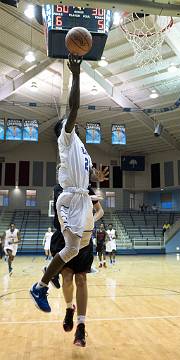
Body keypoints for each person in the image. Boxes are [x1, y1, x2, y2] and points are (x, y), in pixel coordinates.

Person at [30, 54, 109, 313]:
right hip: (70, 200)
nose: (73, 122)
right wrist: (76, 74)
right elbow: (73, 109)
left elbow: (83, 171)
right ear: (64, 128)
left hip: (83, 200)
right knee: (72, 247)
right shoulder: (66, 138)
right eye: (69, 123)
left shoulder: (81, 148)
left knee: (78, 249)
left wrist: (95, 177)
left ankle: (50, 271)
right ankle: (40, 285)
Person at [50, 183, 104, 346]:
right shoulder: (59, 188)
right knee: (67, 277)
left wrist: (90, 222)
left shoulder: (87, 187)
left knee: (81, 279)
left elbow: (100, 211)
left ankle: (81, 326)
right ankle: (68, 308)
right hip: (64, 237)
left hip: (84, 238)